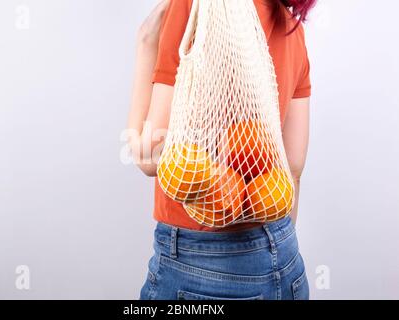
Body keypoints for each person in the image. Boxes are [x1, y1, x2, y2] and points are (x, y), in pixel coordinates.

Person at [127, 0, 315, 300]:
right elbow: (292, 169)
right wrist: (265, 252)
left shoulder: (197, 5)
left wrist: (145, 40)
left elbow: (150, 156)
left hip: (202, 266)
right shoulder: (292, 27)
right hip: (286, 257)